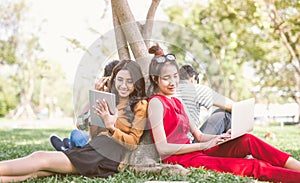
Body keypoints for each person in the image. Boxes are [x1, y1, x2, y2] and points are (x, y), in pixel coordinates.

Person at [146, 44, 300, 182]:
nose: (173, 82)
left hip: (197, 150)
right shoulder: (156, 103)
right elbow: (162, 148)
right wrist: (203, 145)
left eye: (175, 77)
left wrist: (220, 137)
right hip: (181, 159)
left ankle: (297, 166)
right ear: (155, 78)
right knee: (253, 165)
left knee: (248, 140)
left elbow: (199, 135)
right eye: (166, 78)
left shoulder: (177, 101)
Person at [0, 59, 148, 182]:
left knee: (40, 157)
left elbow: (133, 143)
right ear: (113, 80)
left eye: (129, 81)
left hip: (106, 156)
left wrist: (112, 127)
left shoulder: (140, 105)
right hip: (94, 148)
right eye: (120, 80)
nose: (123, 85)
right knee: (41, 171)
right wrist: (97, 101)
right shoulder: (110, 101)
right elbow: (94, 134)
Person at [50, 60, 120, 151]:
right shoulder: (102, 97)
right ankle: (70, 146)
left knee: (77, 137)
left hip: (108, 146)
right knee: (76, 134)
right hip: (94, 140)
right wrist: (95, 96)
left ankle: (68, 149)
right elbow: (79, 124)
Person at [177, 64, 234, 135]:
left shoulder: (169, 91)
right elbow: (232, 105)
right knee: (224, 114)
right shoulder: (194, 88)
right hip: (189, 143)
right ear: (193, 78)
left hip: (168, 142)